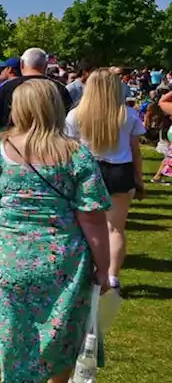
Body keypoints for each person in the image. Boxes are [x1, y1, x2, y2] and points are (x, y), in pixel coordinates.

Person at [0, 80, 111, 383]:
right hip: (62, 258)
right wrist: (105, 267)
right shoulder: (76, 154)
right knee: (63, 326)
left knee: (16, 335)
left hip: (9, 258)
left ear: (18, 108)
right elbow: (92, 216)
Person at [65, 69, 144, 293]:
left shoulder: (75, 115)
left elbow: (70, 152)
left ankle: (86, 273)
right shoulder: (128, 115)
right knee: (115, 229)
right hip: (121, 172)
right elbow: (135, 151)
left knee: (85, 226)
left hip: (89, 172)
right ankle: (112, 278)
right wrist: (139, 180)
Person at [0, 48, 73, 145]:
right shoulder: (59, 88)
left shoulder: (7, 87)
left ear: (22, 64)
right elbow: (69, 120)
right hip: (50, 147)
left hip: (13, 147)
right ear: (46, 65)